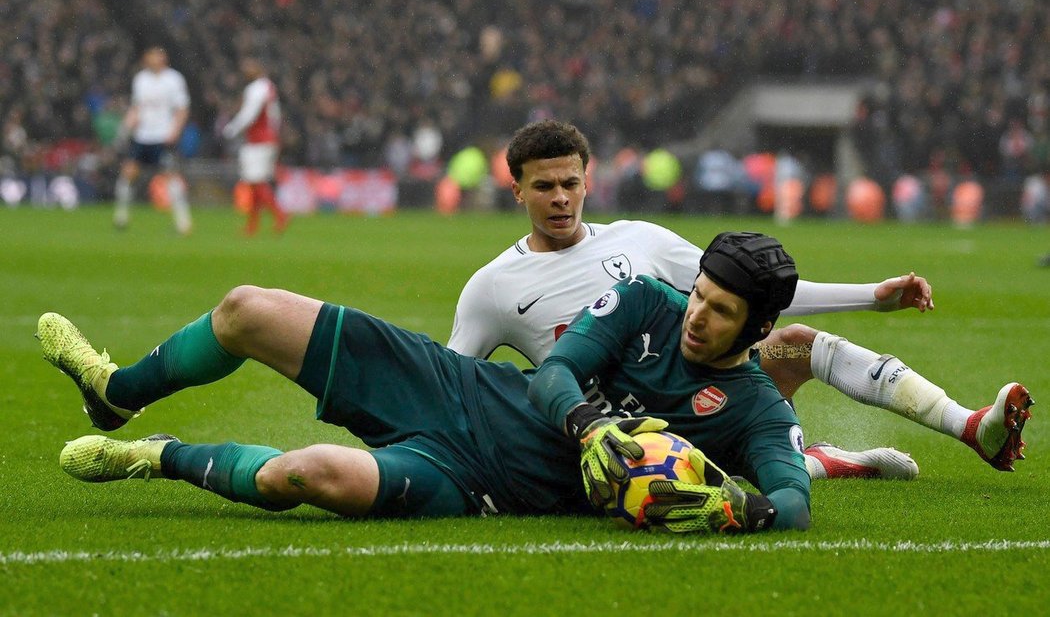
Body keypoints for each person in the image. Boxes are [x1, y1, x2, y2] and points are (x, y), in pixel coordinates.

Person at [39, 232, 831, 533]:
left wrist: (745, 507)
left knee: (304, 474)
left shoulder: (754, 409)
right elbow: (555, 370)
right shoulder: (644, 301)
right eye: (699, 294)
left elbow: (793, 500)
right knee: (247, 310)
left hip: (480, 482)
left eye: (720, 312)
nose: (697, 315)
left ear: (758, 329)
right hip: (454, 388)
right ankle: (118, 391)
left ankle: (160, 454)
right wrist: (592, 426)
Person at [449, 120, 1030, 477]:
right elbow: (453, 383)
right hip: (629, 442)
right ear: (517, 188)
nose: (559, 198)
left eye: (569, 183)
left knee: (794, 345)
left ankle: (971, 427)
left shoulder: (641, 240)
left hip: (709, 397)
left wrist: (874, 298)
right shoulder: (493, 287)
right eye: (543, 186)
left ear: (588, 181)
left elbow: (750, 293)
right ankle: (818, 461)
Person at [113, 46, 193, 235]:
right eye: (150, 56)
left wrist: (174, 131)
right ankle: (121, 217)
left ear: (163, 59)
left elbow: (182, 108)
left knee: (171, 177)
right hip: (142, 136)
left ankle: (183, 222)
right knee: (128, 173)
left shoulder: (174, 79)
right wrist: (125, 128)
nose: (153, 60)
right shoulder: (141, 79)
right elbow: (137, 108)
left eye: (156, 56)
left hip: (163, 136)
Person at [222, 58, 288, 236]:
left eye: (249, 65)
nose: (245, 69)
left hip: (259, 141)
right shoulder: (268, 87)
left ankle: (280, 214)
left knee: (255, 181)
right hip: (267, 139)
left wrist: (231, 129)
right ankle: (253, 224)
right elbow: (274, 115)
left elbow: (249, 113)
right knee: (255, 182)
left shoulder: (257, 88)